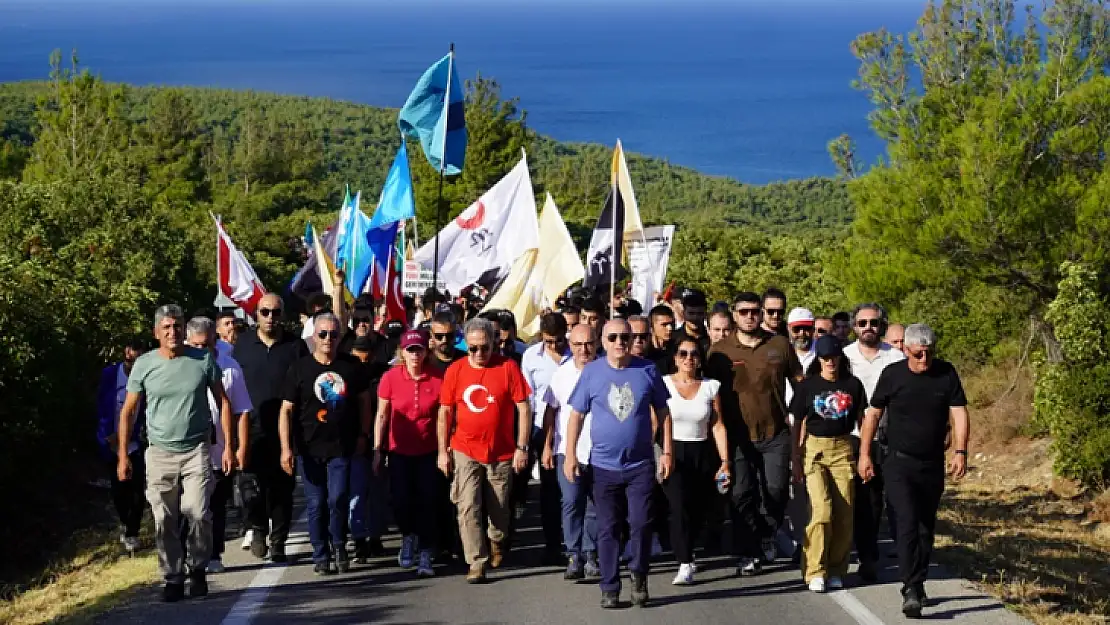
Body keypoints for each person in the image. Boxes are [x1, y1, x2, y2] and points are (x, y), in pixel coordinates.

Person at [118, 304, 232, 602]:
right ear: (157, 333)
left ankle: (197, 569)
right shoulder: (144, 364)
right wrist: (123, 455)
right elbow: (129, 411)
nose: (173, 332)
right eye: (166, 327)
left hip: (196, 449)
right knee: (164, 518)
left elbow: (224, 401)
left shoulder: (202, 359)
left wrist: (228, 445)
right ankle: (172, 576)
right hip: (159, 452)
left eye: (177, 326)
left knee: (198, 512)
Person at [858, 323, 970, 618]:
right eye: (918, 354)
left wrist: (961, 451)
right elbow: (873, 415)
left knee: (924, 527)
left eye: (929, 354)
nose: (924, 360)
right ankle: (910, 587)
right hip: (897, 461)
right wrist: (864, 454)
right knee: (906, 521)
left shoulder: (945, 373)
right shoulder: (893, 375)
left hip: (931, 462)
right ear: (905, 350)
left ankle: (918, 583)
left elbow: (959, 412)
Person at [565, 319, 674, 609]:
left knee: (640, 523)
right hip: (603, 466)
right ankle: (610, 587)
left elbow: (663, 412)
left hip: (640, 465)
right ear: (603, 340)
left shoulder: (647, 370)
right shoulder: (592, 373)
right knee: (608, 527)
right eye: (612, 337)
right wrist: (571, 454)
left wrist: (667, 452)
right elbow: (576, 415)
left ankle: (638, 575)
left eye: (625, 337)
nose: (619, 342)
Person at [708, 291, 803, 576]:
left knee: (775, 491)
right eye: (743, 311)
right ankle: (749, 552)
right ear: (734, 315)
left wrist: (805, 416)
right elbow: (709, 394)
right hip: (737, 436)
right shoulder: (720, 351)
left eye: (754, 311)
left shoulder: (779, 344)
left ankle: (766, 533)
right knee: (741, 495)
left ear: (761, 313)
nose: (749, 316)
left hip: (775, 433)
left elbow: (800, 383)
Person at [437, 318, 531, 584]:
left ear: (494, 344)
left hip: (500, 452)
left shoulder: (508, 367)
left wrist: (521, 446)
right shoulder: (455, 370)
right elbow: (445, 412)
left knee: (499, 509)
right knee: (468, 506)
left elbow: (523, 407)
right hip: (465, 449)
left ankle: (497, 540)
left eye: (485, 348)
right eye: (473, 349)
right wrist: (443, 451)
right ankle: (475, 562)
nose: (479, 354)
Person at [279, 313, 372, 575]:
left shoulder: (351, 366)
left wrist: (364, 434)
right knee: (316, 503)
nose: (328, 339)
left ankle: (340, 544)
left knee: (338, 498)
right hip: (309, 448)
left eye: (333, 334)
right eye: (323, 334)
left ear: (340, 337)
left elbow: (365, 402)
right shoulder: (299, 368)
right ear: (313, 337)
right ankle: (320, 553)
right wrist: (286, 448)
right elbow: (286, 410)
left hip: (341, 446)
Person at [234, 293, 307, 563]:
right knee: (252, 489)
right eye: (265, 312)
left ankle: (278, 541)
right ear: (256, 314)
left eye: (276, 312)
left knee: (281, 490)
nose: (270, 317)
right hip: (250, 430)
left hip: (284, 431)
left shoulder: (294, 346)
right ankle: (257, 528)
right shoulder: (242, 345)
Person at [790, 335, 865, 593]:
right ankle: (815, 570)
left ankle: (836, 569)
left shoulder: (853, 385)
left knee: (844, 513)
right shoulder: (807, 386)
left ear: (840, 357)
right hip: (814, 450)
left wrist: (864, 454)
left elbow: (863, 421)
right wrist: (796, 458)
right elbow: (797, 423)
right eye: (824, 358)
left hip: (843, 448)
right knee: (821, 511)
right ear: (818, 360)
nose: (829, 362)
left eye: (833, 357)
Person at [183, 317, 253, 574]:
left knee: (215, 506)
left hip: (219, 450)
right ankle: (185, 553)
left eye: (209, 345)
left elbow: (241, 410)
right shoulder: (179, 365)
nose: (204, 351)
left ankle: (213, 554)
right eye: (198, 346)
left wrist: (237, 448)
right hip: (187, 450)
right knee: (188, 507)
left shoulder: (230, 368)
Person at [842, 303, 905, 582]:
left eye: (874, 323)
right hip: (854, 437)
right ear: (855, 326)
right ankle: (868, 558)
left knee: (893, 499)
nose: (869, 327)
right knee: (865, 502)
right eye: (863, 323)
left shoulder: (896, 357)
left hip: (890, 437)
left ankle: (905, 555)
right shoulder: (844, 357)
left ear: (882, 325)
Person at [374, 329, 444, 578]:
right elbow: (382, 415)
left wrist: (444, 451)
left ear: (427, 351)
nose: (415, 354)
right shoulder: (391, 378)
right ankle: (408, 536)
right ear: (402, 352)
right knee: (401, 499)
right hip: (398, 451)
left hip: (428, 451)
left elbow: (443, 418)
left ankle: (426, 550)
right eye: (410, 350)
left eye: (419, 349)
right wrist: (377, 450)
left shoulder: (437, 378)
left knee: (427, 500)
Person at [662, 337, 730, 586]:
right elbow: (655, 422)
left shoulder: (711, 387)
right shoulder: (664, 385)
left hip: (703, 452)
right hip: (673, 450)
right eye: (683, 354)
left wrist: (725, 460)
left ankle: (691, 549)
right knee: (679, 507)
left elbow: (717, 424)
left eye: (694, 354)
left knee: (698, 509)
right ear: (675, 357)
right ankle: (684, 560)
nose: (688, 359)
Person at [542, 323, 601, 581]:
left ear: (597, 342)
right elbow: (550, 411)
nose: (583, 350)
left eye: (588, 343)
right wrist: (547, 446)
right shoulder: (561, 374)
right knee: (571, 502)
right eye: (577, 345)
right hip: (569, 450)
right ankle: (573, 553)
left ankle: (591, 554)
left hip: (600, 451)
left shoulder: (606, 370)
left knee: (595, 506)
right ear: (570, 345)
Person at [519, 313, 571, 564]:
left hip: (572, 427)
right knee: (550, 489)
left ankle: (575, 540)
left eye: (559, 341)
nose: (554, 346)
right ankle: (552, 544)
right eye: (549, 341)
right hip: (541, 428)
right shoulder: (531, 357)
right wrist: (526, 437)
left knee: (573, 486)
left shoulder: (577, 353)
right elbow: (527, 400)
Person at [96, 338, 147, 554]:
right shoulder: (110, 374)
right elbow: (100, 405)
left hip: (134, 441)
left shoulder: (146, 375)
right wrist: (108, 434)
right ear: (126, 352)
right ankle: (125, 524)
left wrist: (133, 433)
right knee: (119, 489)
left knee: (137, 489)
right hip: (111, 441)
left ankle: (133, 531)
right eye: (133, 352)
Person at [672, 289, 711, 353]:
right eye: (691, 313)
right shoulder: (673, 339)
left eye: (700, 313)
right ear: (683, 313)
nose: (695, 318)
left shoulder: (711, 337)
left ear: (705, 314)